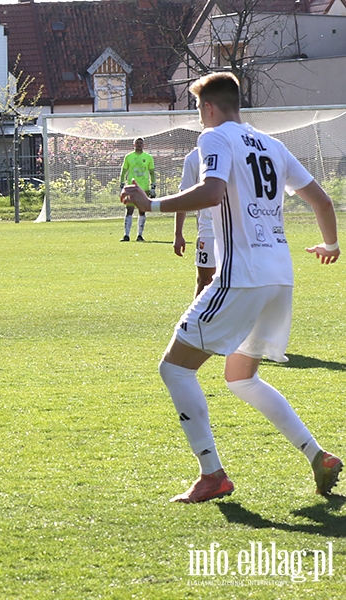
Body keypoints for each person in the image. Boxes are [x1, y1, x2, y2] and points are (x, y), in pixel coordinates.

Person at [121, 72, 341, 503]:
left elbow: (212, 191)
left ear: (208, 108)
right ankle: (318, 456)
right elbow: (322, 200)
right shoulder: (272, 145)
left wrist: (153, 204)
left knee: (175, 368)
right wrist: (332, 244)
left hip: (243, 276)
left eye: (199, 110)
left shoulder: (215, 137)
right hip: (280, 276)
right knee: (241, 377)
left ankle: (212, 475)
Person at [173, 148, 216, 297]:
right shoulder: (194, 157)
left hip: (237, 230)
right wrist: (178, 234)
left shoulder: (237, 149)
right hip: (209, 230)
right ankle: (195, 320)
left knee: (237, 282)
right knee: (205, 280)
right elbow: (184, 196)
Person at [119, 137, 156, 242]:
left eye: (141, 143)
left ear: (143, 145)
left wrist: (153, 185)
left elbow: (152, 172)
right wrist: (122, 183)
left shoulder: (148, 157)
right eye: (137, 143)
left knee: (142, 210)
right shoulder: (128, 156)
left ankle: (140, 235)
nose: (139, 144)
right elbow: (124, 171)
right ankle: (126, 235)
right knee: (129, 210)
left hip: (144, 188)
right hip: (131, 188)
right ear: (134, 145)